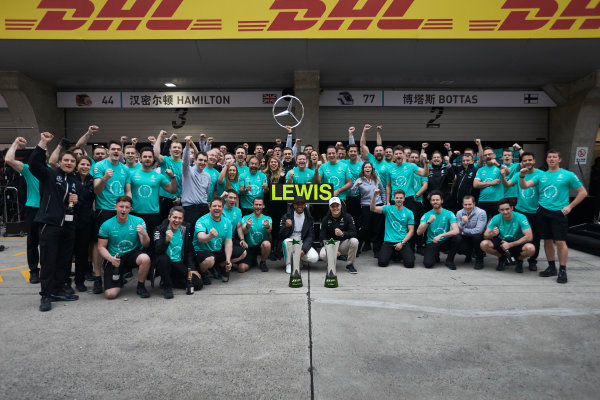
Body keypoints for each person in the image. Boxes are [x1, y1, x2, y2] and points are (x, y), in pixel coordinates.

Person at [27, 133, 80, 311]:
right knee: (48, 261)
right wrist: (43, 143)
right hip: (50, 223)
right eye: (66, 160)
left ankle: (58, 289)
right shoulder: (49, 175)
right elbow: (34, 164)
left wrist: (75, 200)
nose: (69, 163)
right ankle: (46, 295)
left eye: (72, 161)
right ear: (59, 162)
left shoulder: (74, 181)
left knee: (64, 260)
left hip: (68, 226)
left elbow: (72, 202)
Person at [520, 150, 588, 283]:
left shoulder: (568, 175)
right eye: (549, 157)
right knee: (547, 241)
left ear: (559, 159)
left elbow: (583, 192)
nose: (551, 159)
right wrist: (522, 176)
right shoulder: (542, 175)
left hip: (558, 213)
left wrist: (570, 206)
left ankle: (562, 270)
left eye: (554, 157)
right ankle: (552, 267)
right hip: (542, 212)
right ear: (546, 160)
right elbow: (525, 186)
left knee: (561, 242)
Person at [92, 139, 132, 294]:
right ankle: (97, 277)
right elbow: (96, 190)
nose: (116, 151)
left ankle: (117, 273)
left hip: (120, 210)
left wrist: (128, 204)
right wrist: (104, 179)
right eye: (113, 149)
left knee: (118, 241)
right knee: (99, 243)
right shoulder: (100, 166)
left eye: (118, 149)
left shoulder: (124, 169)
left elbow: (127, 190)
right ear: (108, 151)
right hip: (104, 210)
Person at [97, 196, 151, 299]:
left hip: (132, 254)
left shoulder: (138, 221)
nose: (124, 210)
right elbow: (101, 247)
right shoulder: (106, 224)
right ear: (115, 207)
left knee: (145, 259)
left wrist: (144, 234)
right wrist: (111, 259)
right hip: (115, 257)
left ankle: (141, 286)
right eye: (121, 206)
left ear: (130, 209)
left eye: (127, 207)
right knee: (110, 295)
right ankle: (119, 279)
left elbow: (146, 245)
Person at [5, 137, 41, 284]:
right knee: (33, 241)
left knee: (49, 243)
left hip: (49, 209)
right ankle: (34, 271)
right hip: (33, 208)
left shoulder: (51, 169)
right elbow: (8, 159)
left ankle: (50, 269)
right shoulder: (27, 169)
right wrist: (15, 143)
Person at [502, 152, 543, 271]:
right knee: (519, 237)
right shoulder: (518, 174)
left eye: (530, 160)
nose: (527, 162)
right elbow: (507, 184)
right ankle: (519, 260)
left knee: (535, 237)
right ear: (522, 162)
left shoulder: (541, 174)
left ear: (534, 161)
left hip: (536, 211)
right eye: (525, 161)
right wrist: (503, 176)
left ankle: (532, 261)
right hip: (520, 211)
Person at [193, 197, 246, 284]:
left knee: (243, 252)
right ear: (210, 208)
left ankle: (219, 265)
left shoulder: (227, 222)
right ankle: (203, 272)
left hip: (217, 250)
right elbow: (201, 238)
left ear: (222, 209)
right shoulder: (202, 221)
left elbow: (228, 242)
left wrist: (228, 261)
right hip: (203, 251)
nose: (217, 208)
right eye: (214, 206)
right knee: (209, 260)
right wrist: (210, 236)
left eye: (219, 206)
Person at [153, 206, 200, 298]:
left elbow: (190, 251)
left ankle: (170, 281)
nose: (177, 220)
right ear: (169, 217)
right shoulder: (159, 229)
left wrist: (192, 269)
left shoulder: (185, 229)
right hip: (164, 264)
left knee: (198, 283)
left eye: (180, 218)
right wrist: (166, 240)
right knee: (162, 258)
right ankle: (167, 287)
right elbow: (157, 250)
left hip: (178, 262)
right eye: (174, 217)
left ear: (182, 219)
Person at [130, 147, 177, 235]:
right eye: (145, 156)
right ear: (140, 159)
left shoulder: (158, 176)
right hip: (134, 213)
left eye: (150, 157)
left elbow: (173, 190)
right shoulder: (132, 174)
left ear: (153, 159)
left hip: (153, 214)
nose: (147, 159)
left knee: (152, 244)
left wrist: (172, 177)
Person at [480, 199, 535, 273]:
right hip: (502, 242)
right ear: (499, 210)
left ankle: (519, 260)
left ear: (512, 208)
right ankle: (502, 257)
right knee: (484, 244)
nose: (505, 212)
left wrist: (510, 244)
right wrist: (492, 234)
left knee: (531, 248)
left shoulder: (521, 217)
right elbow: (485, 235)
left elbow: (529, 237)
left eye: (507, 209)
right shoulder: (496, 218)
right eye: (502, 210)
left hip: (517, 242)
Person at [370, 189, 415, 268]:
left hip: (402, 241)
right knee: (382, 263)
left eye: (401, 198)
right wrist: (374, 195)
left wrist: (402, 243)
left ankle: (397, 254)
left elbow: (411, 231)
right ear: (394, 199)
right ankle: (394, 254)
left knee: (410, 264)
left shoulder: (409, 212)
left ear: (404, 199)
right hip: (389, 241)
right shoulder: (388, 208)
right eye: (397, 198)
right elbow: (372, 209)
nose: (399, 200)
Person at [351, 161, 386, 257]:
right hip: (366, 206)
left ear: (372, 169)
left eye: (369, 167)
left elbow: (382, 192)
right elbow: (352, 193)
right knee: (364, 228)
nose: (367, 169)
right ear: (363, 169)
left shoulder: (377, 179)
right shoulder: (359, 180)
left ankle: (377, 250)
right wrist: (356, 185)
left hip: (378, 205)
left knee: (377, 228)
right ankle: (357, 249)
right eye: (366, 167)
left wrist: (384, 205)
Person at [417, 190, 460, 269]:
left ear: (442, 201)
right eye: (433, 200)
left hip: (444, 241)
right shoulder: (427, 215)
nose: (435, 202)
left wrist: (441, 235)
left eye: (437, 200)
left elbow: (456, 230)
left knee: (457, 238)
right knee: (428, 264)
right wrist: (428, 222)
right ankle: (436, 256)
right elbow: (419, 232)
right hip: (432, 241)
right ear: (430, 202)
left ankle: (449, 260)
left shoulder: (449, 213)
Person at [73, 155, 96, 292]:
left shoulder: (92, 181)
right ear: (77, 165)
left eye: (87, 165)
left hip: (86, 221)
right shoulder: (70, 178)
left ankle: (79, 281)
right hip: (70, 221)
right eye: (82, 164)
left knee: (82, 253)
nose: (85, 167)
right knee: (67, 252)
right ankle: (63, 281)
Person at [384, 145, 429, 215]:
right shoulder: (389, 169)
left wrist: (426, 162)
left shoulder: (411, 166)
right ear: (393, 156)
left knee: (410, 223)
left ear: (403, 155)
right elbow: (388, 186)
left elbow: (425, 174)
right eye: (396, 154)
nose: (398, 155)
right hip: (394, 199)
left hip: (408, 199)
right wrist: (387, 201)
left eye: (400, 153)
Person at [319, 197, 359, 273]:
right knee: (322, 255)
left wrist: (342, 234)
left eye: (337, 206)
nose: (335, 208)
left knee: (354, 241)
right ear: (329, 207)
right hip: (331, 244)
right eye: (333, 206)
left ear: (340, 206)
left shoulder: (348, 217)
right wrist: (331, 248)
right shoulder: (325, 219)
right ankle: (330, 262)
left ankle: (350, 264)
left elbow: (354, 233)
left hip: (343, 244)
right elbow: (322, 237)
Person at [279, 196, 319, 273]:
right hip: (290, 242)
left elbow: (310, 236)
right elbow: (280, 235)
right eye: (297, 204)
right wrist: (286, 227)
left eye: (302, 204)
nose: (299, 206)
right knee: (286, 241)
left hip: (301, 243)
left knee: (314, 258)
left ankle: (297, 260)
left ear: (305, 205)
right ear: (294, 205)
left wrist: (303, 250)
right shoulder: (286, 216)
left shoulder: (309, 218)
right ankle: (289, 264)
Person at [153, 130, 183, 221]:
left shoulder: (185, 165)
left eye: (179, 147)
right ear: (170, 150)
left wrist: (180, 198)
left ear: (182, 150)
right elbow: (156, 154)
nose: (176, 149)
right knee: (161, 224)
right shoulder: (165, 160)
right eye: (174, 147)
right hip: (164, 198)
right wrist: (160, 136)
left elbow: (186, 184)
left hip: (177, 200)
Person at [181, 137, 212, 225]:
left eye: (205, 161)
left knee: (203, 233)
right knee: (190, 234)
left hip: (203, 208)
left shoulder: (207, 175)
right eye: (200, 160)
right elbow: (185, 161)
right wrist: (187, 145)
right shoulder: (187, 171)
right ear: (195, 160)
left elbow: (207, 192)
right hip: (189, 208)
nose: (202, 162)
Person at [239, 197, 272, 273]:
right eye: (256, 204)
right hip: (249, 247)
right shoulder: (246, 217)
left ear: (263, 206)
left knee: (267, 244)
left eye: (260, 205)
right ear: (252, 206)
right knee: (241, 268)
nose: (258, 207)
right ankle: (253, 261)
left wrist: (267, 226)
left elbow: (270, 230)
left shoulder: (267, 218)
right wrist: (247, 225)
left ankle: (262, 262)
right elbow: (244, 231)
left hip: (261, 246)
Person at [455, 195, 487, 269]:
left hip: (477, 236)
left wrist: (463, 231)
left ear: (474, 204)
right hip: (465, 236)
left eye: (470, 204)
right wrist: (462, 223)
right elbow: (456, 229)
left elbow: (478, 230)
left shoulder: (481, 212)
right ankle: (468, 254)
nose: (467, 207)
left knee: (477, 237)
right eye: (465, 204)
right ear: (462, 204)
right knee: (457, 239)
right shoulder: (459, 213)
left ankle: (479, 260)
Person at [474, 147, 503, 219]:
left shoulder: (500, 167)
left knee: (497, 225)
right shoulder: (480, 170)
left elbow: (508, 172)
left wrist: (497, 164)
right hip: (483, 201)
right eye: (485, 155)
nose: (487, 156)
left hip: (497, 201)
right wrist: (492, 182)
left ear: (494, 155)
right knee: (482, 225)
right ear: (483, 157)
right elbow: (475, 184)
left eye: (489, 154)